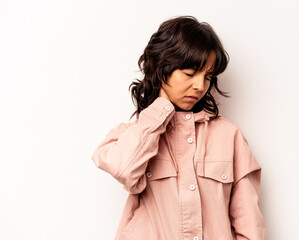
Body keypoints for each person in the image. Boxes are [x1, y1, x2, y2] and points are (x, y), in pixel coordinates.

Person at [91, 15, 267, 240]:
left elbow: (250, 228)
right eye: (190, 74)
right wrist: (161, 108)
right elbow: (123, 170)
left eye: (208, 77)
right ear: (163, 68)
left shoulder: (229, 136)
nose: (200, 86)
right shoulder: (133, 135)